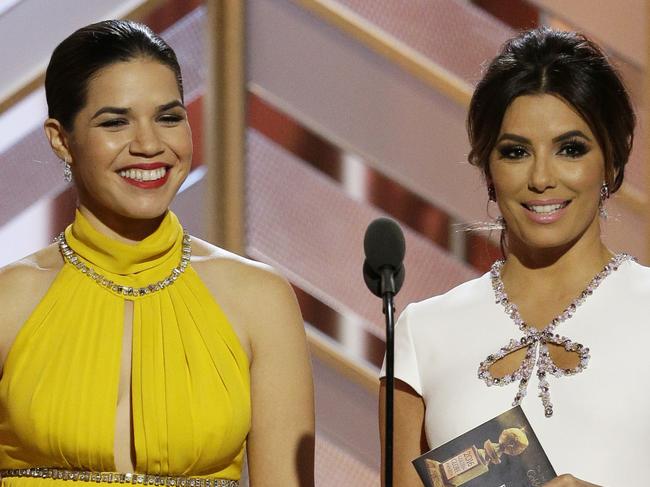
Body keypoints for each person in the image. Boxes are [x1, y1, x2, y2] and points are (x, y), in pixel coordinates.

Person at [0, 20, 314, 487]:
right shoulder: (10, 299)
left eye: (168, 118)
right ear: (60, 139)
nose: (149, 145)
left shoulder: (258, 299)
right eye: (115, 122)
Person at [380, 27, 649, 486]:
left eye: (570, 149)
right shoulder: (421, 334)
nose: (541, 178)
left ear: (611, 162)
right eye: (516, 152)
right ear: (488, 169)